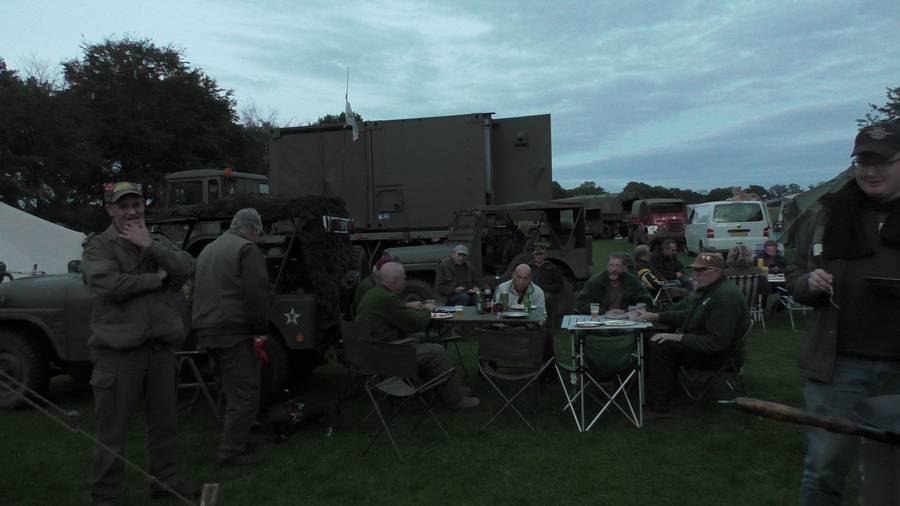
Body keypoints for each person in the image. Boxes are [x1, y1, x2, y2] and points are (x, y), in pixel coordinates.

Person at [786, 123, 900, 506]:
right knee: (824, 469)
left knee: (889, 475)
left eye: (882, 162)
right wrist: (808, 282)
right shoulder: (827, 213)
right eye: (863, 162)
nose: (871, 171)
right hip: (837, 367)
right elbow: (794, 271)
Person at [82, 181, 197, 504]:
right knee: (112, 429)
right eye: (124, 206)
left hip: (160, 349)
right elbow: (108, 284)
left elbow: (187, 267)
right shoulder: (99, 245)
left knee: (164, 424)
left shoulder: (156, 240)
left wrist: (150, 247)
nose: (132, 211)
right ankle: (105, 495)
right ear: (110, 209)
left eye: (137, 204)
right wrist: (156, 279)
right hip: (119, 353)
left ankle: (165, 481)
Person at [192, 208, 271, 467]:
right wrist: (260, 329)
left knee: (226, 391)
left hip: (207, 330)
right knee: (245, 394)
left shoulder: (208, 249)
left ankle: (234, 438)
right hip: (234, 331)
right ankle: (232, 452)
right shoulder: (246, 249)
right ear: (253, 230)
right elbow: (257, 291)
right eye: (259, 234)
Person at [633, 252, 749, 421]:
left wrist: (678, 338)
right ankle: (655, 389)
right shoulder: (713, 290)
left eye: (701, 271)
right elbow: (691, 315)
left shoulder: (724, 298)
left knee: (661, 346)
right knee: (653, 338)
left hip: (719, 357)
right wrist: (655, 316)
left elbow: (716, 342)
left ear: (716, 271)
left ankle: (659, 408)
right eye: (695, 271)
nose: (695, 275)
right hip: (708, 348)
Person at [356, 262, 480, 409]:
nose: (405, 282)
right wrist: (428, 309)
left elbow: (394, 312)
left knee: (427, 339)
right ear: (395, 280)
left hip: (374, 350)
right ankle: (455, 399)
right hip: (387, 354)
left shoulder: (375, 293)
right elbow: (414, 323)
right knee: (436, 352)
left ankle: (446, 388)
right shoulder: (386, 298)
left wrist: (406, 306)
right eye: (404, 278)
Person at [574, 252, 652, 315]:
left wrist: (627, 311)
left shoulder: (632, 282)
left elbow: (646, 301)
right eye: (611, 265)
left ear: (624, 267)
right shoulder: (595, 282)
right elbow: (581, 303)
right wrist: (604, 312)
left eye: (617, 266)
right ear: (607, 266)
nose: (614, 269)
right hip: (600, 319)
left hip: (626, 319)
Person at [529, 246, 563, 321]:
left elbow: (559, 285)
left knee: (547, 298)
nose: (538, 256)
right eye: (536, 254)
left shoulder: (552, 267)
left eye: (540, 254)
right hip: (531, 291)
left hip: (546, 292)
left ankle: (546, 323)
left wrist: (545, 288)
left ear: (545, 255)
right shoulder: (529, 267)